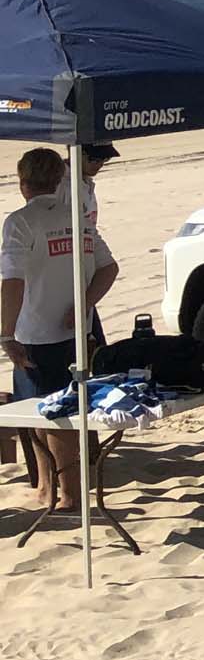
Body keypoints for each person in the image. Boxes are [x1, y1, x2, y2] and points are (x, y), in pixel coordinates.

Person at [2, 148, 117, 508]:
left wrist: (6, 334)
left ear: (23, 183)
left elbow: (12, 281)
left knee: (53, 413)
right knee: (44, 410)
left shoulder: (20, 222)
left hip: (36, 332)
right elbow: (109, 268)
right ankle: (46, 487)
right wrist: (83, 305)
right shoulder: (77, 217)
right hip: (74, 331)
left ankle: (68, 493)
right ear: (57, 180)